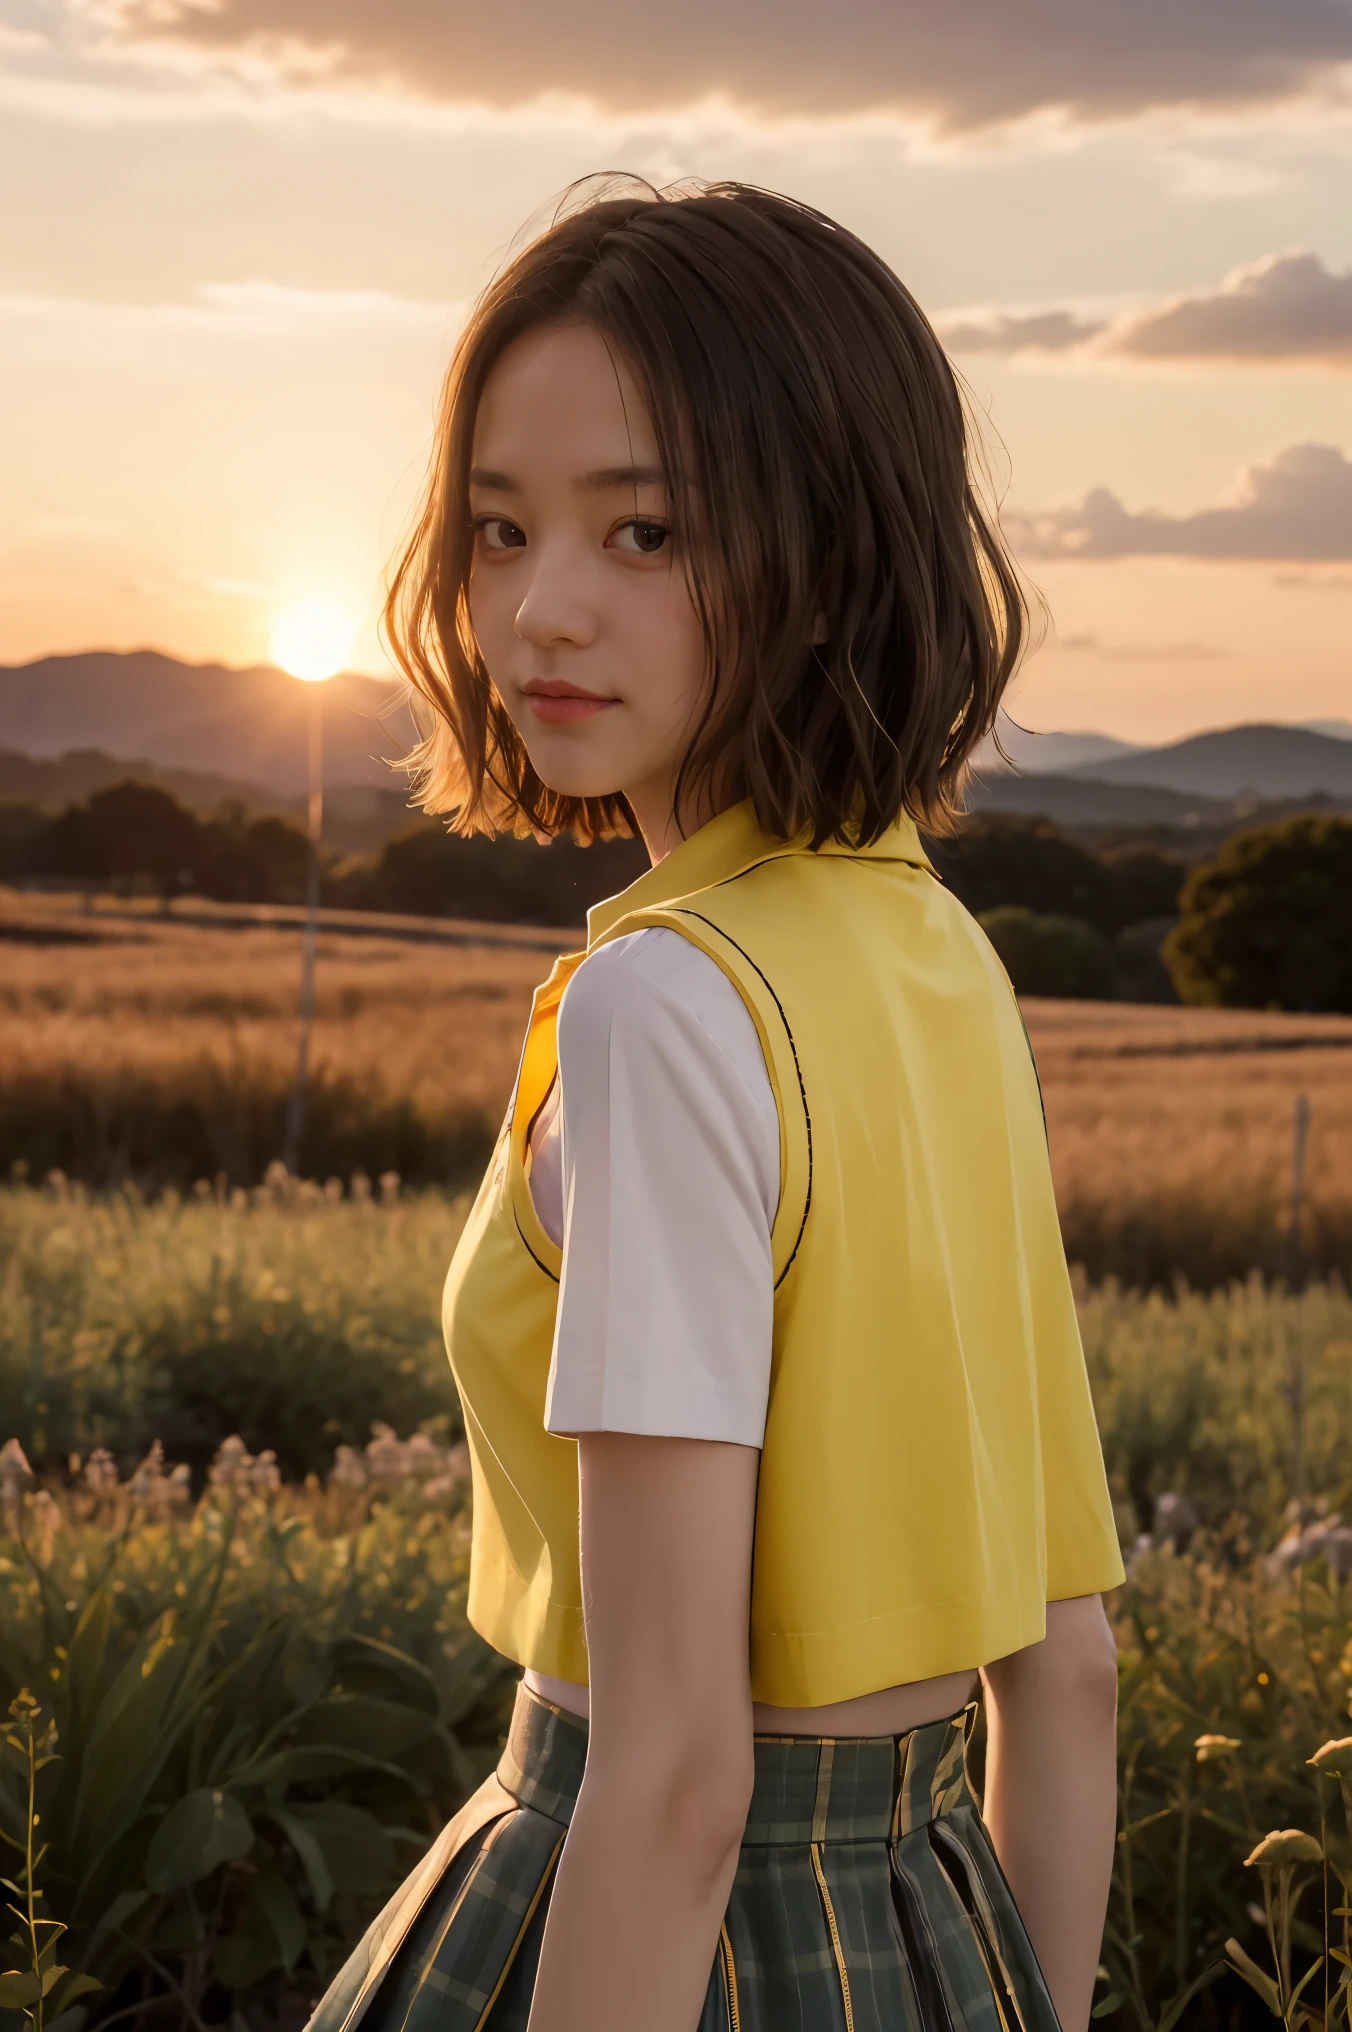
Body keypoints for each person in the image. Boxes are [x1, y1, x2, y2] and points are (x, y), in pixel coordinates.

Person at [308, 179, 1125, 2032]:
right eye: (500, 529)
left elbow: (675, 1779)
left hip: (644, 1929)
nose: (541, 609)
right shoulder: (945, 958)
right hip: (940, 1928)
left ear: (830, 545)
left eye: (648, 529)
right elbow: (1061, 1674)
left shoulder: (661, 1008)